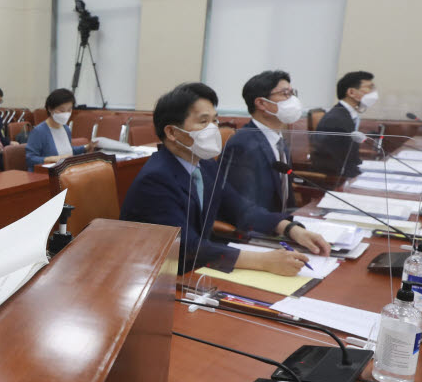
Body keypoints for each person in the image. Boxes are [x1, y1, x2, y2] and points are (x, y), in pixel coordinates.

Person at [120, 82, 330, 275]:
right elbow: (185, 246)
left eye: (214, 120)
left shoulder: (206, 164)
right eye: (203, 121)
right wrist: (263, 261)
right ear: (172, 132)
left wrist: (288, 228)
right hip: (157, 277)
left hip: (195, 269)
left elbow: (240, 208)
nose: (213, 128)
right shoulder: (156, 179)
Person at [221, 70, 301, 213]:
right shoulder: (243, 146)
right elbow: (243, 208)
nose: (292, 100)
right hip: (260, 229)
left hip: (285, 225)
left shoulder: (280, 140)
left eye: (292, 93)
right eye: (285, 94)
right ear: (262, 103)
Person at [311, 71, 376, 177]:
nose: (373, 93)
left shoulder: (346, 114)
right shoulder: (335, 119)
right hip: (336, 179)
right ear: (351, 92)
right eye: (369, 88)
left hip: (347, 172)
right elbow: (332, 163)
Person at [25, 88, 87, 170]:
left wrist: (86, 147)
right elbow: (30, 159)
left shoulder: (66, 129)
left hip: (66, 172)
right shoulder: (39, 131)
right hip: (47, 175)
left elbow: (67, 152)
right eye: (62, 110)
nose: (66, 114)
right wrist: (51, 159)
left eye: (69, 110)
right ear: (50, 109)